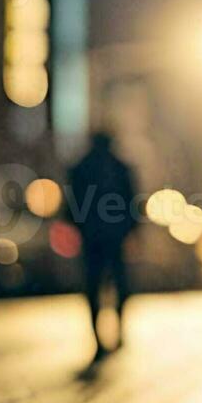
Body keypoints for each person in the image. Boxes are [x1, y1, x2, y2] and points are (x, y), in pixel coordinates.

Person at [69, 132, 136, 362]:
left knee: (95, 287)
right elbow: (132, 203)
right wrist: (130, 229)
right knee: (118, 285)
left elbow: (72, 203)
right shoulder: (120, 168)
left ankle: (100, 339)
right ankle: (113, 334)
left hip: (95, 237)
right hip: (110, 237)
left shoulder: (81, 168)